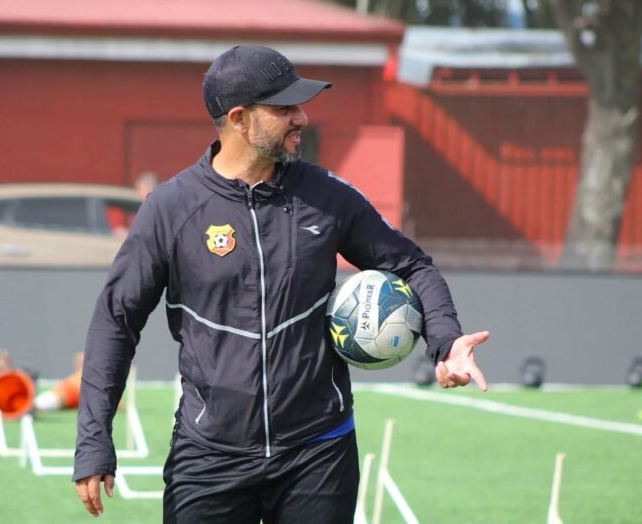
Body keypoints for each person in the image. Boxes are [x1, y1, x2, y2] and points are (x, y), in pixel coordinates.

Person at [73, 44, 489, 523]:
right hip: (209, 457)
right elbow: (116, 321)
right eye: (285, 108)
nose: (302, 118)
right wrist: (93, 439)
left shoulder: (327, 196)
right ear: (239, 119)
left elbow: (413, 266)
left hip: (318, 453)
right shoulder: (170, 209)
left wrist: (445, 342)